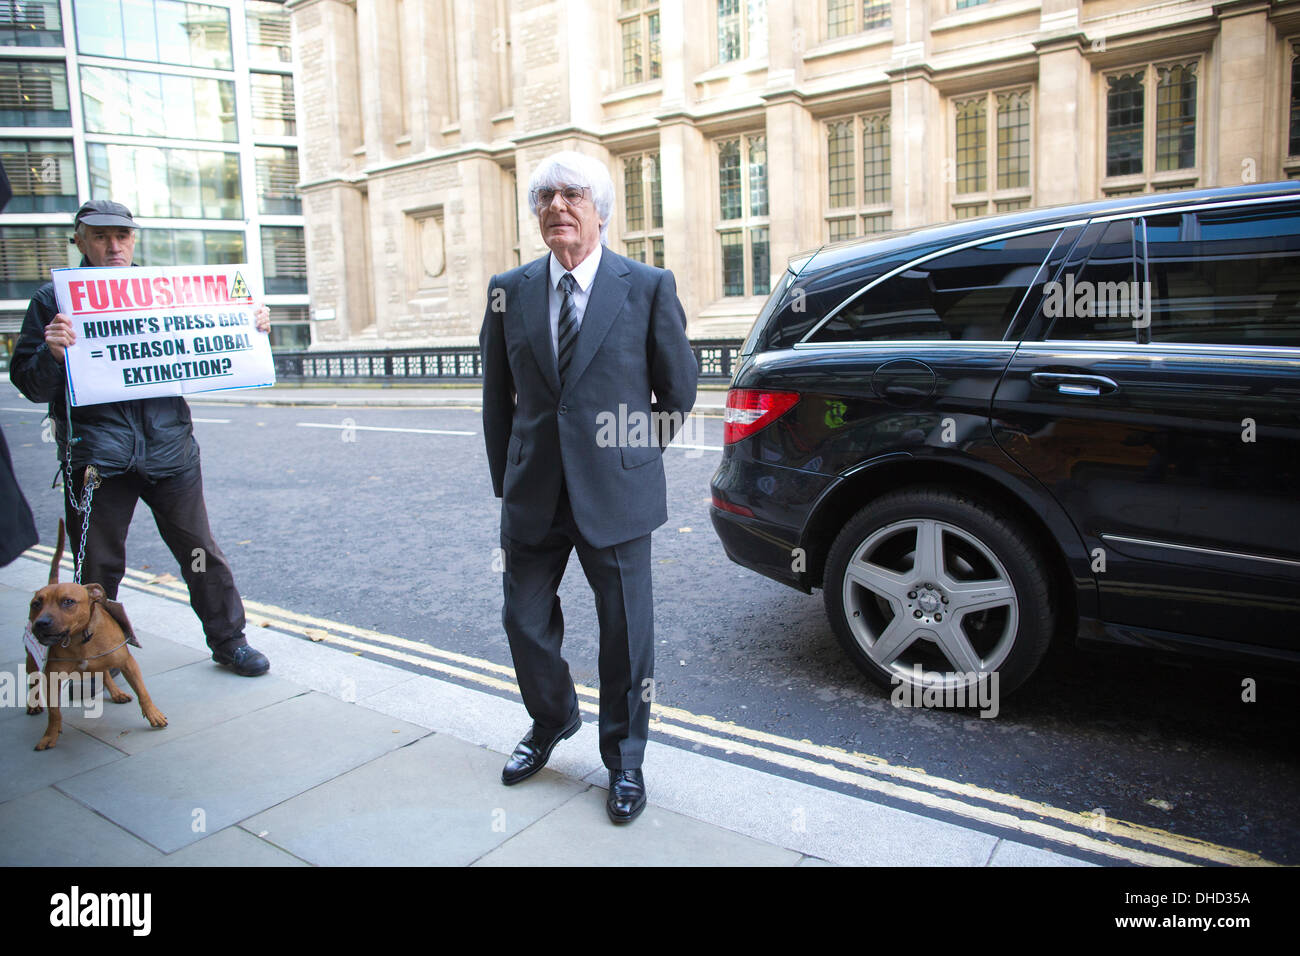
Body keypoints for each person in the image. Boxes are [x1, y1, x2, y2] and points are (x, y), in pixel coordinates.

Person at [479, 151, 698, 823]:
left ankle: (625, 759)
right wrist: (506, 480)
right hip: (534, 493)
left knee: (626, 638)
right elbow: (497, 397)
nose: (556, 206)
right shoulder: (508, 289)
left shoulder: (648, 285)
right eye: (545, 196)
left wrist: (629, 457)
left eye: (572, 194)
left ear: (600, 210)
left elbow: (679, 390)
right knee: (524, 622)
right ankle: (553, 720)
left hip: (617, 493)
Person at [9, 199, 271, 676]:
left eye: (122, 236)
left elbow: (215, 345)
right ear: (80, 240)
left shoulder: (168, 293)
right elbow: (27, 384)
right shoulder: (53, 299)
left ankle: (230, 642)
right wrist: (51, 353)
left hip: (170, 452)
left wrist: (248, 329)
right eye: (101, 236)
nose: (113, 245)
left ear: (134, 240)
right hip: (97, 459)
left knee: (200, 555)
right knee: (99, 569)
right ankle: (97, 654)